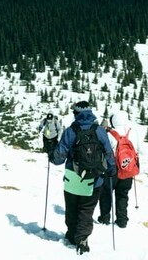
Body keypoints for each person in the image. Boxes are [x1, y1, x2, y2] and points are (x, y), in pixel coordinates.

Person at [48, 101, 116, 255]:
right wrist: (112, 169)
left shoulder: (70, 132)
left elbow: (58, 159)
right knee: (86, 210)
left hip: (73, 178)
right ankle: (83, 239)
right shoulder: (99, 131)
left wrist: (51, 150)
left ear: (76, 114)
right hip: (94, 180)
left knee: (72, 208)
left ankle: (72, 235)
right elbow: (108, 152)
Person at [97, 111, 138, 228]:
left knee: (106, 194)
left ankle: (104, 218)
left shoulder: (109, 134)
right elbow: (138, 150)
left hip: (112, 168)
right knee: (122, 195)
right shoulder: (133, 132)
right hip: (128, 168)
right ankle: (122, 220)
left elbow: (104, 151)